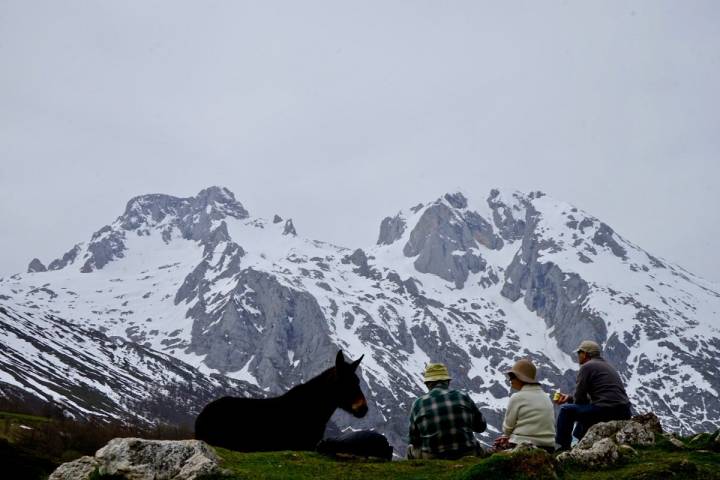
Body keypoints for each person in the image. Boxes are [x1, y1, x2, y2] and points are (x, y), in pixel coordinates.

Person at [554, 340, 633, 451]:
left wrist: (572, 400)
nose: (578, 356)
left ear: (585, 354)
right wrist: (569, 398)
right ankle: (579, 443)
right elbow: (597, 397)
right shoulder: (607, 366)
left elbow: (579, 398)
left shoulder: (587, 367)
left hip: (607, 410)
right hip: (624, 411)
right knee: (585, 410)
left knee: (566, 411)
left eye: (579, 353)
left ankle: (562, 447)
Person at [407, 363, 487, 459]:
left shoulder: (418, 404)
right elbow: (481, 427)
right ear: (447, 381)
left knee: (410, 449)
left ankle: (418, 472)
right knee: (480, 447)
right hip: (467, 453)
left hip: (433, 457)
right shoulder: (462, 396)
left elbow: (413, 439)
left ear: (427, 384)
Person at [492, 359, 556, 452]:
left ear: (520, 378)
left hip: (523, 445)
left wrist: (508, 437)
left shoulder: (517, 397)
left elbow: (507, 429)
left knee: (494, 450)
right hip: (549, 447)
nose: (510, 379)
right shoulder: (546, 397)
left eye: (512, 376)